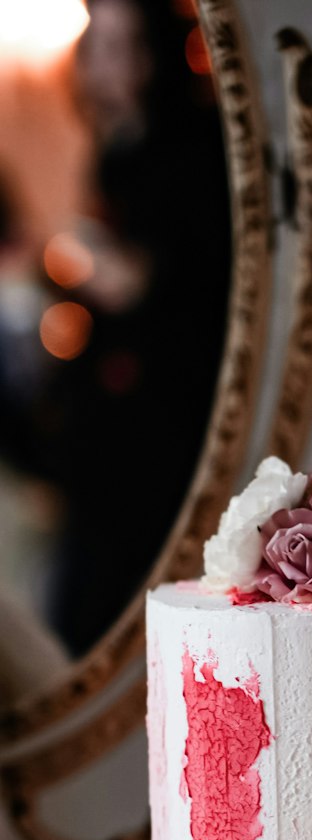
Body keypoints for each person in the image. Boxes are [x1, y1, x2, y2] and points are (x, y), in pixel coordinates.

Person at [41, 0, 230, 655]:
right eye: (102, 47)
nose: (112, 65)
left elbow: (148, 282)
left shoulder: (191, 148)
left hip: (167, 398)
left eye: (127, 48)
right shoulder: (116, 146)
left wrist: (75, 254)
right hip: (113, 398)